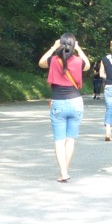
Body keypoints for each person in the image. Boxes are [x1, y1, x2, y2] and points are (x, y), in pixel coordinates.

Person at [38, 33, 91, 182]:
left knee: (59, 141)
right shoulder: (78, 61)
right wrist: (79, 49)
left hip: (59, 103)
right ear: (73, 46)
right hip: (76, 102)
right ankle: (64, 172)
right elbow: (87, 65)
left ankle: (63, 172)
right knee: (70, 140)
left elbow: (41, 63)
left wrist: (52, 48)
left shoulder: (54, 60)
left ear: (60, 44)